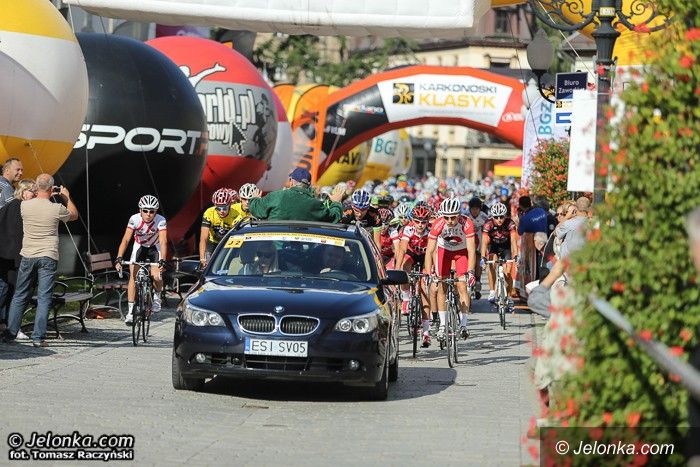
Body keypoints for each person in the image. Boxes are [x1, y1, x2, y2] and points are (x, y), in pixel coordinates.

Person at [2, 174, 78, 347]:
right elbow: (74, 215)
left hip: (27, 254)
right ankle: (38, 338)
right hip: (48, 255)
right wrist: (66, 196)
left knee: (19, 295)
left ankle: (10, 334)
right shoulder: (56, 208)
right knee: (44, 297)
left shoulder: (24, 206)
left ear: (36, 187)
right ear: (51, 189)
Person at [423, 198, 477, 341]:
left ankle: (463, 325)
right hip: (444, 252)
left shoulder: (467, 223)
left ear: (459, 215)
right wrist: (428, 273)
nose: (449, 221)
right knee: (442, 286)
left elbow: (471, 250)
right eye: (446, 217)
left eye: (453, 217)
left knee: (462, 286)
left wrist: (471, 272)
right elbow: (429, 251)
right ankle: (442, 325)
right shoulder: (438, 224)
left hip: (461, 253)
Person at [114, 195, 167, 325]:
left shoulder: (161, 220)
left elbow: (163, 241)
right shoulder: (134, 219)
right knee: (133, 277)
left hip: (155, 247)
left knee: (157, 276)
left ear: (156, 212)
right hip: (139, 246)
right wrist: (119, 257)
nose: (148, 214)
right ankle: (130, 312)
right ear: (140, 210)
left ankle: (157, 297)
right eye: (145, 210)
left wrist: (163, 260)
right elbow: (126, 239)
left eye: (152, 211)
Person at [0, 179, 36, 336]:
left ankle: (6, 324)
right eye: (32, 191)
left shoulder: (11, 206)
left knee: (7, 290)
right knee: (15, 291)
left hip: (6, 256)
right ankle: (12, 327)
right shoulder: (19, 207)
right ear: (23, 191)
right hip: (15, 257)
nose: (35, 194)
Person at [394, 205, 432, 347]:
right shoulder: (408, 229)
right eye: (417, 221)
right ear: (413, 221)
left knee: (424, 291)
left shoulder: (430, 231)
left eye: (423, 222)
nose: (420, 225)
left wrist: (431, 271)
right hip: (411, 255)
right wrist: (397, 270)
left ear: (427, 221)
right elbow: (402, 249)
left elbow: (433, 252)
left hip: (425, 257)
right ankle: (406, 298)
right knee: (405, 265)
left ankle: (426, 332)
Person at [248, 168, 344, 221]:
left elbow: (256, 209)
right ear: (309, 185)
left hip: (274, 248)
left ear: (291, 181)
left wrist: (255, 199)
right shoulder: (315, 204)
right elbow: (333, 218)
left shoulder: (276, 196)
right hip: (303, 250)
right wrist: (336, 202)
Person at [481, 202, 519, 302]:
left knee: (507, 273)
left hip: (506, 247)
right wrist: (483, 257)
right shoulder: (488, 224)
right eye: (496, 217)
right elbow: (484, 242)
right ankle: (492, 291)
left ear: (505, 216)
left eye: (501, 217)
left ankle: (509, 296)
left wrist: (516, 256)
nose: (499, 219)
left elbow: (513, 242)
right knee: (491, 264)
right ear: (492, 216)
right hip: (494, 246)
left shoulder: (510, 223)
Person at [199, 188, 239, 267]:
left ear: (230, 205)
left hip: (228, 243)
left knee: (226, 265)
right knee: (207, 265)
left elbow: (237, 237)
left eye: (224, 208)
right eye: (218, 208)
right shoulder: (209, 213)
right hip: (212, 242)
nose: (221, 211)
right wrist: (202, 259)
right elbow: (203, 238)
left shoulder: (236, 215)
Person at [465, 196, 489, 296]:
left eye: (477, 209)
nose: (475, 211)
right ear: (469, 209)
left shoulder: (485, 217)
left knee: (478, 257)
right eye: (473, 209)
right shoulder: (465, 216)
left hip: (479, 240)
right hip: (468, 241)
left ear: (480, 209)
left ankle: (478, 280)